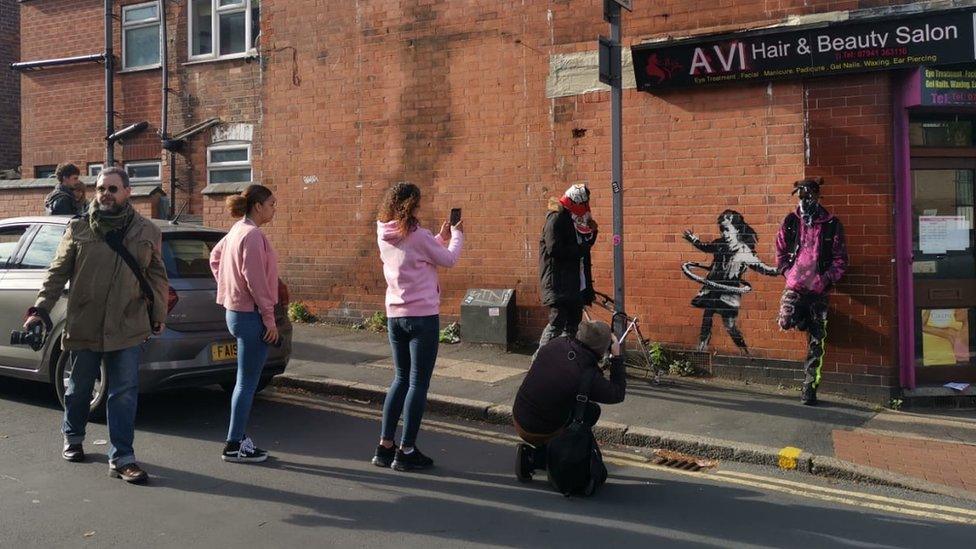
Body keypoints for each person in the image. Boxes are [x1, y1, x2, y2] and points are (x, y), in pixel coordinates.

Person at [24, 167, 168, 484]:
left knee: (124, 393)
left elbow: (157, 276)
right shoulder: (78, 229)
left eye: (113, 189)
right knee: (78, 390)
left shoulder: (147, 231)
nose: (106, 194)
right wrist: (40, 310)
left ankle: (122, 458)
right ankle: (73, 436)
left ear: (127, 192)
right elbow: (56, 274)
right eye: (101, 188)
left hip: (127, 323)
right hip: (85, 321)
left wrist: (158, 314)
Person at [372, 182, 464, 471]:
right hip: (422, 317)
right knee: (418, 383)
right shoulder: (417, 236)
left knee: (399, 379)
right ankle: (406, 451)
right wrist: (457, 235)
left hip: (395, 316)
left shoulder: (384, 233)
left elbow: (418, 253)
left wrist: (440, 236)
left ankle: (385, 447)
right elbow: (448, 259)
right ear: (412, 206)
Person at [209, 184, 280, 463]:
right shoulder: (251, 235)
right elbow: (256, 281)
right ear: (258, 206)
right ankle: (234, 444)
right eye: (272, 204)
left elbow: (215, 259)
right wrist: (269, 319)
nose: (274, 209)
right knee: (247, 383)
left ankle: (237, 440)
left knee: (244, 380)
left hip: (237, 312)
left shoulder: (236, 230)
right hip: (250, 315)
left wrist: (229, 287)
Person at [512, 320, 626, 482]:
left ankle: (541, 453)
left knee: (581, 406)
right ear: (602, 349)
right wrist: (617, 357)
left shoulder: (556, 344)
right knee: (590, 413)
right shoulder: (587, 374)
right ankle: (535, 458)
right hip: (538, 430)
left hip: (519, 415)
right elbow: (617, 393)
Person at [775, 177, 848, 405]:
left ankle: (809, 387)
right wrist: (787, 272)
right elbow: (780, 249)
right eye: (801, 195)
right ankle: (803, 319)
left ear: (817, 196)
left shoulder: (831, 224)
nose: (805, 200)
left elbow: (841, 259)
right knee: (785, 321)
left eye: (809, 195)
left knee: (817, 341)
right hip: (795, 285)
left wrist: (826, 279)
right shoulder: (791, 221)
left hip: (818, 290)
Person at [682, 210, 778, 354]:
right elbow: (705, 246)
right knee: (707, 316)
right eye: (722, 230)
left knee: (730, 326)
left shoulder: (744, 252)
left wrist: (780, 269)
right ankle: (701, 348)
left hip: (729, 293)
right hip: (712, 288)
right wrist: (694, 240)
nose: (724, 234)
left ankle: (745, 352)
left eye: (727, 230)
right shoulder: (719, 244)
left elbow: (762, 268)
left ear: (737, 229)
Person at [536, 183, 598, 357]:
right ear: (575, 202)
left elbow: (585, 246)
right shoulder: (557, 217)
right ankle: (539, 363)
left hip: (575, 283)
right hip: (558, 281)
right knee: (556, 323)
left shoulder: (574, 219)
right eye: (583, 205)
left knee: (573, 325)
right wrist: (580, 249)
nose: (585, 209)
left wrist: (593, 232)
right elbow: (554, 249)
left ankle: (563, 362)